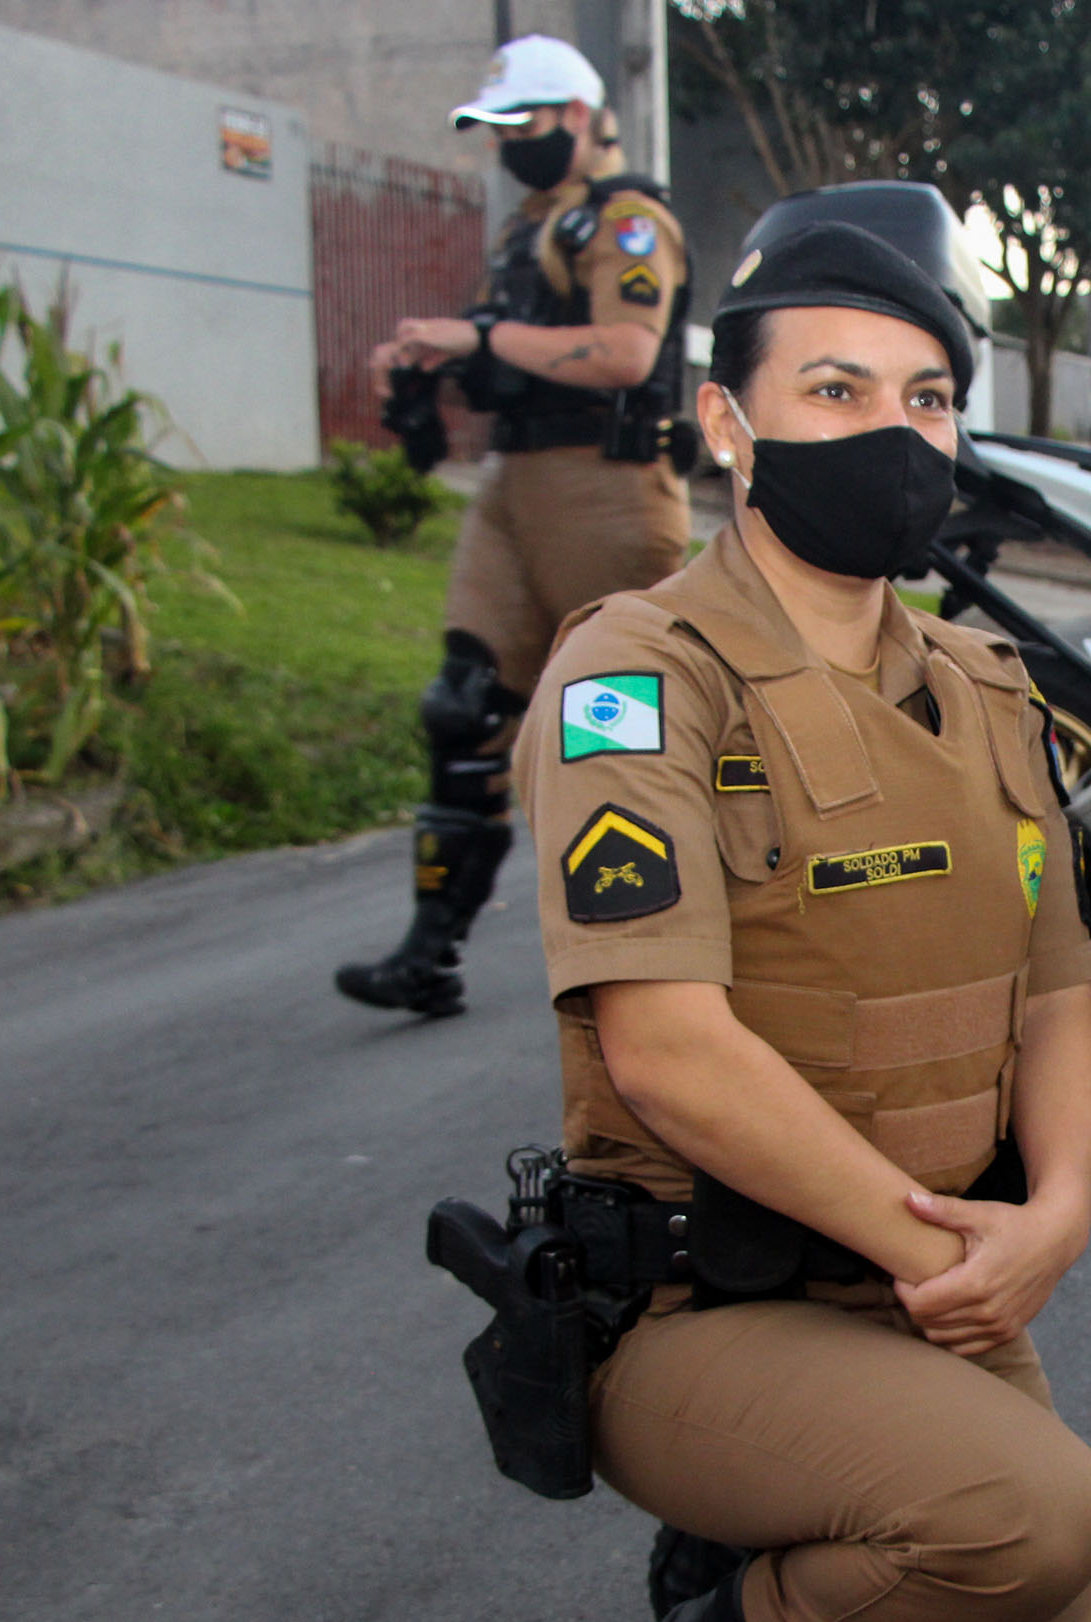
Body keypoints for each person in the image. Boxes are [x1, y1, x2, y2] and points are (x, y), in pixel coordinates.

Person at [513, 221, 1091, 1622]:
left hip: (937, 1290)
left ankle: (792, 1571)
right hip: (718, 1305)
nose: (891, 429)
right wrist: (935, 1243)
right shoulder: (638, 675)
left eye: (927, 396)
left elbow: (1056, 992)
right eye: (836, 387)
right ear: (729, 423)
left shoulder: (989, 686)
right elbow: (666, 1051)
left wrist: (1058, 1211)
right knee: (1037, 1515)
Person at [336, 33, 694, 1017]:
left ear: (576, 117)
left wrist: (482, 336)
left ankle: (657, 946)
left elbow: (627, 351)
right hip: (513, 486)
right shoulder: (523, 234)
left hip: (606, 486)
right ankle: (429, 952)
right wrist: (430, 366)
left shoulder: (626, 222)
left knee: (614, 724)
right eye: (493, 129)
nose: (507, 145)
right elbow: (512, 353)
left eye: (521, 124)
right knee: (462, 706)